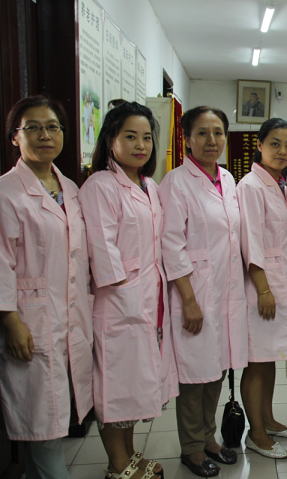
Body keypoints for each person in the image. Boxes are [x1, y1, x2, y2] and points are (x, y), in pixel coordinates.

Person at [79, 101, 177, 479]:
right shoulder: (101, 185)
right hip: (119, 303)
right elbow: (102, 249)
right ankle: (117, 464)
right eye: (131, 137)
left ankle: (130, 454)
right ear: (111, 140)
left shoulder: (149, 185)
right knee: (116, 385)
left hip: (149, 297)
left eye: (147, 138)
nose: (140, 145)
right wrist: (127, 293)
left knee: (135, 383)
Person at [0, 96, 93, 479]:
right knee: (43, 421)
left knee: (51, 417)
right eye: (33, 128)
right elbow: (1, 261)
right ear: (15, 137)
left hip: (68, 315)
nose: (45, 135)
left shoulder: (69, 188)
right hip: (30, 320)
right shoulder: (7, 191)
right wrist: (10, 321)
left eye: (52, 127)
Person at [158, 106, 248, 476]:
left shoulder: (227, 178)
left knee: (216, 369)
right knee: (194, 375)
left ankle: (210, 437)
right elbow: (171, 245)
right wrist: (189, 300)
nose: (212, 140)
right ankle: (192, 447)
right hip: (194, 292)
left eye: (218, 133)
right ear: (187, 138)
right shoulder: (175, 182)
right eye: (202, 133)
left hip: (226, 291)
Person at [238, 117, 287, 459]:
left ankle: (269, 419)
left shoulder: (280, 183)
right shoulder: (251, 186)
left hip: (280, 280)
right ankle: (256, 434)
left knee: (270, 357)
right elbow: (251, 242)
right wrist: (263, 289)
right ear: (259, 145)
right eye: (275, 144)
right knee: (257, 362)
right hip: (262, 285)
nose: (282, 151)